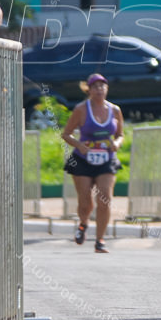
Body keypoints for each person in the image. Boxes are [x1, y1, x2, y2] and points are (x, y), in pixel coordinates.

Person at [60, 73, 124, 253]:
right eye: (95, 86)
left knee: (105, 199)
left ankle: (100, 240)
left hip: (106, 158)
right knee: (86, 202)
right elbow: (66, 134)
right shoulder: (81, 109)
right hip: (83, 159)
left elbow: (120, 134)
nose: (99, 89)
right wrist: (80, 146)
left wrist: (116, 144)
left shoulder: (115, 110)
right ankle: (83, 223)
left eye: (102, 86)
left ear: (107, 89)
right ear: (89, 90)